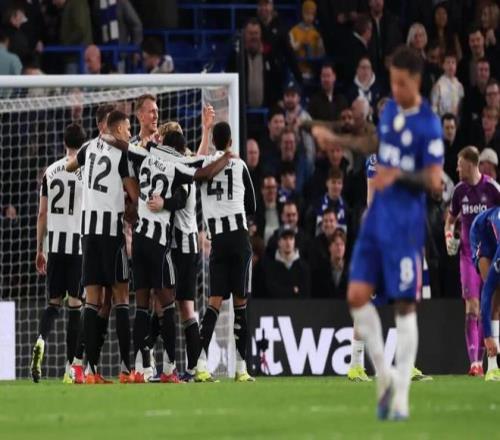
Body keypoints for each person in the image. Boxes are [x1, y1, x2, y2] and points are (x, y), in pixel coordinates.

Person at [312, 46, 444, 420]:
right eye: (393, 82)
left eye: (401, 83)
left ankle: (400, 394)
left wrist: (398, 176)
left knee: (404, 305)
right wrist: (337, 141)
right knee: (356, 296)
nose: (396, 89)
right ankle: (383, 375)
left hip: (405, 224)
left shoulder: (429, 125)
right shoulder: (389, 115)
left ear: (416, 81)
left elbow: (435, 182)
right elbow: (373, 145)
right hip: (376, 222)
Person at [131, 131, 231, 383]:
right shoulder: (176, 166)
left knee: (182, 307)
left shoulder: (177, 169)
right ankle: (151, 364)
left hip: (184, 247)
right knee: (160, 305)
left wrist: (163, 203)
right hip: (169, 244)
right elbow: (198, 163)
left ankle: (195, 366)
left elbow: (180, 198)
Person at [65, 110, 139, 384]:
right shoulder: (122, 154)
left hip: (88, 234)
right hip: (111, 234)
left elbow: (71, 167)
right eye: (128, 129)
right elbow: (135, 195)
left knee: (92, 301)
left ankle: (87, 369)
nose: (130, 133)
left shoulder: (87, 148)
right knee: (121, 298)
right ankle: (125, 369)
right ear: (117, 129)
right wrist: (133, 207)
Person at [195, 122, 257, 383]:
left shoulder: (204, 165)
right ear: (230, 141)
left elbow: (196, 175)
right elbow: (252, 205)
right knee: (241, 304)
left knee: (214, 303)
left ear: (214, 141)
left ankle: (200, 365)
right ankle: (241, 369)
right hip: (239, 239)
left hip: (218, 241)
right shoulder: (240, 165)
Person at [30, 124, 86, 384]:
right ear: (82, 144)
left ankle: (41, 339)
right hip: (77, 246)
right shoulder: (85, 170)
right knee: (75, 305)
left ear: (64, 142)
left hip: (54, 247)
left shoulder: (50, 171)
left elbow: (42, 213)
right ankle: (69, 369)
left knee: (53, 304)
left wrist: (39, 249)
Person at [445, 146, 500, 376]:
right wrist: (449, 236)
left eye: (460, 165)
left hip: (489, 254)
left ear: (470, 164)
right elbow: (450, 220)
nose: (457, 169)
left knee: (492, 302)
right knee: (473, 306)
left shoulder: (492, 188)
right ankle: (475, 363)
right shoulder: (459, 191)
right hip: (468, 255)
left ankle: (490, 360)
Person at [470, 207, 500, 381]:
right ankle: (492, 367)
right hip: (481, 233)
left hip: (495, 233)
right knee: (495, 293)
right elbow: (486, 293)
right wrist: (488, 337)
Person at [262, 228, 310, 298]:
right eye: (285, 238)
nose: (288, 242)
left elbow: (305, 294)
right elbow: (271, 292)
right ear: (279, 242)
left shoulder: (303, 267)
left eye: (291, 238)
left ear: (294, 241)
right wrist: (293, 290)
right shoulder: (270, 266)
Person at [289, 0, 325, 81]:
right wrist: (300, 43)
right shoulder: (293, 31)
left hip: (312, 73)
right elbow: (290, 49)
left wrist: (319, 44)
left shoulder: (316, 34)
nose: (309, 17)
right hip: (296, 72)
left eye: (312, 14)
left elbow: (321, 55)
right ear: (302, 13)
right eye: (307, 14)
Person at [431, 52, 464, 118]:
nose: (451, 65)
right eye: (448, 62)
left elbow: (460, 106)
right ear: (443, 65)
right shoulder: (438, 85)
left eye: (453, 62)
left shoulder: (459, 86)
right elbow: (434, 107)